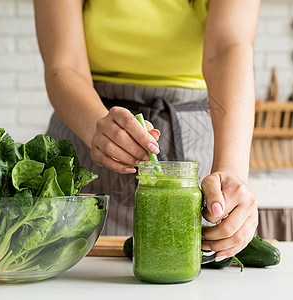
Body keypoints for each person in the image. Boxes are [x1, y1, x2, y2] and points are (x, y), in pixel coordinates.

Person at [34, 0, 260, 261]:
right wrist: (99, 127)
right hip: (87, 130)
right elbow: (64, 64)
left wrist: (231, 171)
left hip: (197, 139)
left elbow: (228, 47)